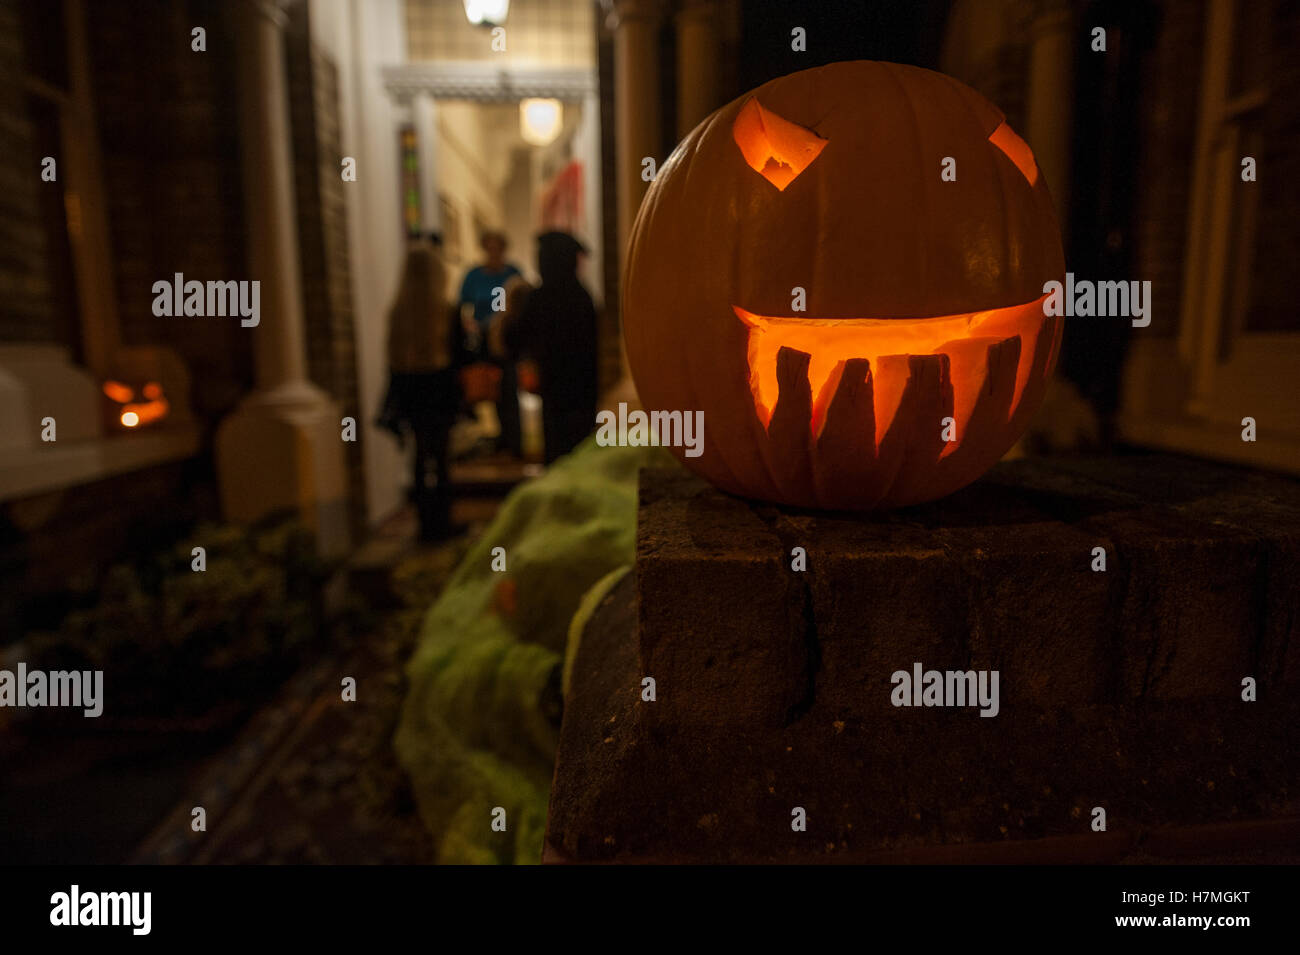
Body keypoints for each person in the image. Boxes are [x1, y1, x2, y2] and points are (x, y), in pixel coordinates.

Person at [384, 240, 469, 541]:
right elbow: (461, 357)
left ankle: (424, 525)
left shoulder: (397, 314)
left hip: (411, 390)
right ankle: (442, 523)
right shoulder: (446, 312)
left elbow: (392, 363)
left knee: (419, 457)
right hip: (439, 389)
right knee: (441, 458)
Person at [506, 231, 599, 464]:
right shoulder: (583, 298)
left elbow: (515, 341)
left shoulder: (539, 298)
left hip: (553, 389)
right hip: (582, 391)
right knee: (581, 454)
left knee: (556, 453)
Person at [458, 231, 523, 456]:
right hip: (484, 339)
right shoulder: (474, 276)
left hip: (507, 339)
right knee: (490, 387)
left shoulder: (513, 273)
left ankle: (514, 439)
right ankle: (500, 437)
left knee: (509, 387)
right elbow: (462, 306)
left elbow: (521, 301)